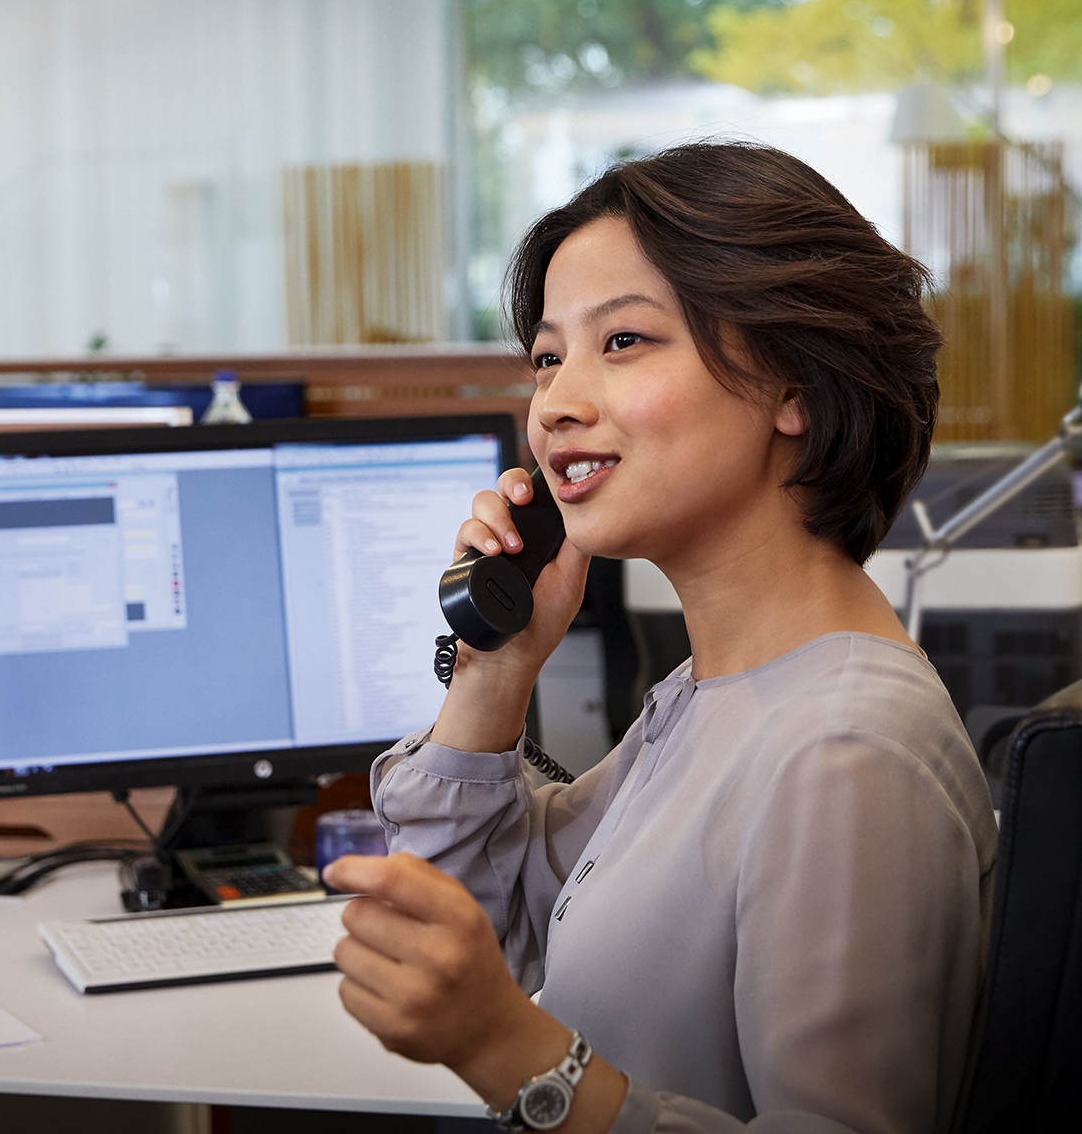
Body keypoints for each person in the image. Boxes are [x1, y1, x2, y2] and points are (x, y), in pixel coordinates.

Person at [323, 142, 998, 1134]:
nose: (556, 403)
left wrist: (512, 1053)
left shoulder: (843, 750)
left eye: (624, 342)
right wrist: (495, 670)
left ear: (795, 387)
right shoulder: (715, 695)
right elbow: (460, 930)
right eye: (549, 357)